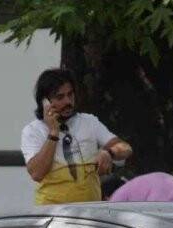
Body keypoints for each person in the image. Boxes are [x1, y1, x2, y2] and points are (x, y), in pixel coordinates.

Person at [20, 68, 132, 205]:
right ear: (45, 102)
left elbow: (125, 148)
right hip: (52, 214)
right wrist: (53, 133)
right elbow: (37, 173)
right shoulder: (33, 131)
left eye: (70, 94)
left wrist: (109, 153)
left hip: (89, 213)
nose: (68, 101)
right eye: (60, 97)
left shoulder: (88, 122)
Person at [105, 172, 173, 204]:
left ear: (106, 197)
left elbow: (111, 218)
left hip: (159, 198)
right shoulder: (131, 186)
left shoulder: (116, 198)